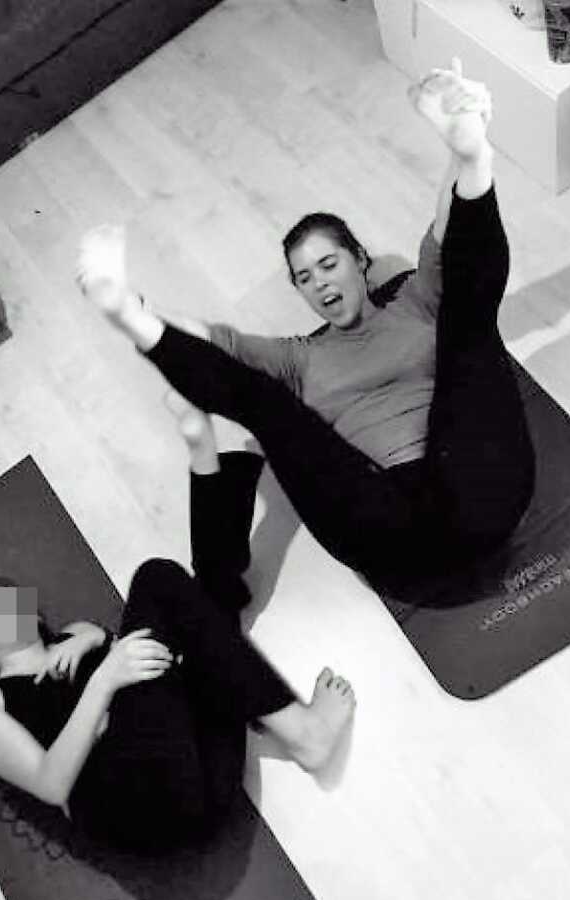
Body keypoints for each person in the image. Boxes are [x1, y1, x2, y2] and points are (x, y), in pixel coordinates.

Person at [74, 60, 536, 586]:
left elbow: (448, 236)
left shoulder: (416, 300)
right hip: (388, 530)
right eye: (303, 278)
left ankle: (479, 158)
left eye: (328, 264)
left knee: (470, 320)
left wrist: (461, 156)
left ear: (359, 259)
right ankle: (125, 317)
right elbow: (219, 342)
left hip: (480, 485)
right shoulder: (299, 357)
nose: (318, 283)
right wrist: (139, 307)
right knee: (267, 408)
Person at [0, 406, 355, 852]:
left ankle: (213, 469)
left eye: (15, 601)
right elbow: (50, 784)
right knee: (155, 579)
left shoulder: (76, 638)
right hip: (138, 807)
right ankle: (304, 734)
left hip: (206, 780)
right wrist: (104, 678)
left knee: (205, 611)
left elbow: (152, 677)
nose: (10, 609)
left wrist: (96, 639)